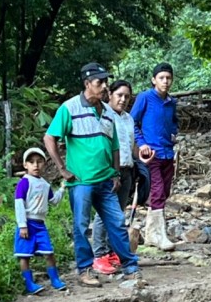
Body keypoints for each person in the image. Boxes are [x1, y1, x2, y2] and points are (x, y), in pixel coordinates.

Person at [44, 62, 142, 287]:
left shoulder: (108, 112)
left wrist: (116, 173)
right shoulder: (69, 108)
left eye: (106, 81)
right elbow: (50, 138)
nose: (104, 86)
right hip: (81, 181)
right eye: (100, 82)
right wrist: (61, 168)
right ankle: (85, 269)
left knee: (117, 222)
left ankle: (129, 266)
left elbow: (115, 144)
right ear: (87, 84)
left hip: (106, 179)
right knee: (80, 225)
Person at [131, 62, 178, 251]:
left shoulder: (171, 102)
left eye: (168, 78)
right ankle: (160, 235)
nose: (165, 82)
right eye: (161, 78)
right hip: (151, 154)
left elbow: (174, 122)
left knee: (164, 192)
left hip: (168, 152)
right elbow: (131, 122)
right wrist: (142, 144)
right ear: (154, 80)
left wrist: (174, 133)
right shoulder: (145, 98)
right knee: (157, 191)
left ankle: (151, 233)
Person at [91, 79, 137, 274]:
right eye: (119, 95)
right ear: (110, 95)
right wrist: (110, 171)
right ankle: (99, 254)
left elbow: (130, 144)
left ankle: (112, 252)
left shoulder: (128, 118)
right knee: (104, 214)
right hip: (110, 172)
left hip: (127, 170)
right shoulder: (104, 116)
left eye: (127, 96)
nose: (123, 99)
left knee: (118, 213)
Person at [13, 147, 67, 294]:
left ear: (44, 163)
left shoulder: (45, 184)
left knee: (48, 252)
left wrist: (62, 189)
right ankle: (29, 283)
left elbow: (53, 201)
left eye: (39, 162)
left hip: (40, 224)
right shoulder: (24, 183)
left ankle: (55, 279)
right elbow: (19, 204)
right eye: (31, 162)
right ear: (25, 165)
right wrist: (22, 225)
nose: (35, 165)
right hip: (27, 222)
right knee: (25, 255)